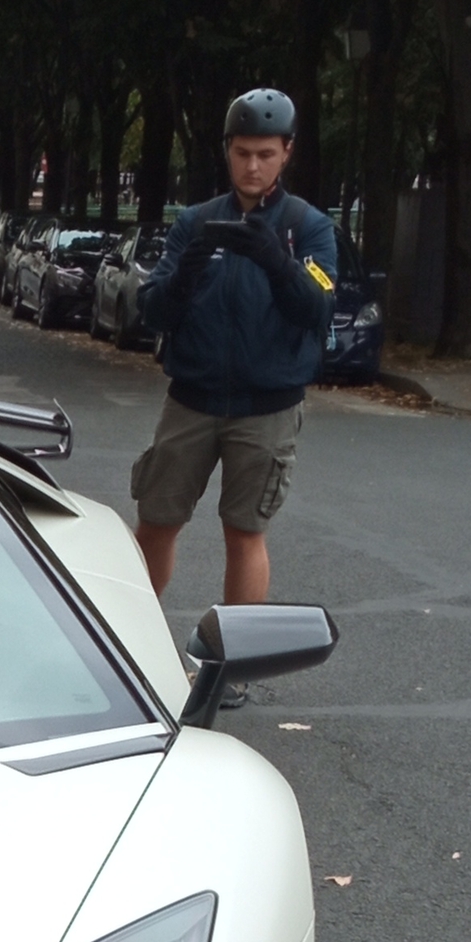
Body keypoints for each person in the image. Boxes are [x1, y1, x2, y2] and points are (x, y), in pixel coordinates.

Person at [128, 87, 338, 606]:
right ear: (227, 150)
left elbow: (319, 309)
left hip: (266, 405)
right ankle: (130, 642)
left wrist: (278, 263)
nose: (252, 166)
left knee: (244, 534)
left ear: (287, 151)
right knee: (156, 522)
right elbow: (151, 309)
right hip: (192, 399)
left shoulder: (306, 227)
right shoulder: (196, 221)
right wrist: (186, 276)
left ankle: (235, 665)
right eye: (242, 153)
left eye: (266, 154)